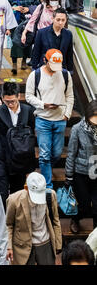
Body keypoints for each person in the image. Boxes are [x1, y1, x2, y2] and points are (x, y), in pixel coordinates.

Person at [25, 49, 74, 189]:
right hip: (42, 119)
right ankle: (48, 186)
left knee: (57, 153)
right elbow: (28, 96)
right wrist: (43, 105)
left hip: (60, 119)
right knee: (44, 155)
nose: (55, 70)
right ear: (45, 61)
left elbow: (70, 96)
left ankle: (46, 169)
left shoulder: (65, 75)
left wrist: (67, 114)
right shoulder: (36, 75)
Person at [0, 82, 35, 205]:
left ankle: (14, 221)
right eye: (7, 102)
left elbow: (30, 137)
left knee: (17, 194)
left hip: (19, 158)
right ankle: (2, 221)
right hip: (1, 157)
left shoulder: (27, 111)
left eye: (13, 101)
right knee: (1, 193)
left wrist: (30, 164)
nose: (10, 104)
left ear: (18, 96)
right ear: (2, 98)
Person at [6, 171, 62, 265]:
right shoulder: (13, 200)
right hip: (22, 246)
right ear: (26, 188)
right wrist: (9, 247)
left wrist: (58, 244)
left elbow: (56, 221)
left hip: (45, 241)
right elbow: (8, 225)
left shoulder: (50, 196)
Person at [65, 100, 97, 233]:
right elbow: (71, 153)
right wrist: (69, 176)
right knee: (84, 205)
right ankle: (76, 219)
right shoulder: (78, 129)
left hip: (96, 172)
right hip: (81, 172)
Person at [7, 0, 40, 73]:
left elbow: (38, 6)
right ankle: (14, 63)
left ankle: (24, 62)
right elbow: (6, 6)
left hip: (28, 22)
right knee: (16, 43)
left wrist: (28, 9)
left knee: (27, 43)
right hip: (15, 23)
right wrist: (14, 8)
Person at [31, 7, 73, 73]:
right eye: (58, 20)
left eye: (63, 20)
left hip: (61, 68)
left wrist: (70, 70)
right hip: (45, 68)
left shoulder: (68, 34)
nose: (60, 22)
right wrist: (34, 68)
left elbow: (69, 54)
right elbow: (36, 52)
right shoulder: (41, 33)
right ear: (52, 19)